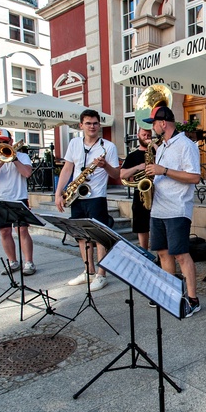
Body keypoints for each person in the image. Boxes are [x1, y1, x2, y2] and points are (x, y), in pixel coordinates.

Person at [141, 105, 202, 316]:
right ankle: (172, 294)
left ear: (163, 123)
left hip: (177, 208)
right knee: (163, 252)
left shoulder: (186, 145)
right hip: (158, 208)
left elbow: (195, 177)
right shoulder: (163, 145)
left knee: (181, 255)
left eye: (154, 124)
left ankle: (193, 299)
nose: (153, 129)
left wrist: (163, 170)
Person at [55, 109, 120, 291]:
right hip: (77, 195)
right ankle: (88, 271)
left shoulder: (108, 147)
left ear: (99, 125)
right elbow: (67, 169)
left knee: (99, 237)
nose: (92, 126)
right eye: (89, 123)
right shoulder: (75, 143)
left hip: (96, 196)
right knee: (80, 236)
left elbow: (117, 174)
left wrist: (105, 165)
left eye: (95, 123)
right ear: (81, 125)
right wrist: (58, 193)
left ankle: (101, 275)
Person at [0, 129, 37, 276]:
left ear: (11, 142)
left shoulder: (22, 156)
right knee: (4, 231)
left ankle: (29, 262)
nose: (1, 144)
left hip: (18, 197)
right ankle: (13, 262)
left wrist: (14, 159)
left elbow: (27, 173)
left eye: (4, 142)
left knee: (22, 230)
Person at [120, 126, 154, 250]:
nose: (147, 137)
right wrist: (138, 167)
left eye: (149, 135)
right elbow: (122, 175)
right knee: (142, 226)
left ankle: (161, 255)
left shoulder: (158, 151)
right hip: (141, 194)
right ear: (138, 135)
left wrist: (154, 146)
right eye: (144, 135)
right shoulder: (133, 156)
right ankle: (144, 252)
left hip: (159, 193)